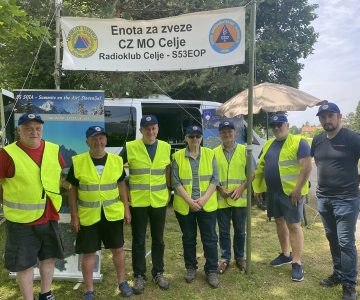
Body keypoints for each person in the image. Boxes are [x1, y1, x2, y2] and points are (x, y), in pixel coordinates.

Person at [0, 113, 65, 300]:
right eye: (28, 128)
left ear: (42, 129)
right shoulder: (7, 154)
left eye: (37, 128)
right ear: (19, 130)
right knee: (24, 265)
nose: (33, 132)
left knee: (49, 258)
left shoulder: (53, 149)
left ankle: (46, 294)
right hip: (21, 221)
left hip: (49, 215)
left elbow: (57, 176)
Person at [66, 126, 132, 299]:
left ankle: (122, 282)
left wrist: (126, 208)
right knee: (88, 253)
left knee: (118, 249)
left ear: (106, 140)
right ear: (87, 141)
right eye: (94, 139)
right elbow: (72, 190)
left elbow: (121, 186)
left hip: (112, 214)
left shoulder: (117, 161)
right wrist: (74, 216)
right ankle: (88, 290)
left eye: (101, 138)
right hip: (88, 216)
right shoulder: (78, 161)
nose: (98, 142)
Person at [253, 113, 311, 282]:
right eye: (274, 126)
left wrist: (298, 190)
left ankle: (297, 261)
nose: (277, 128)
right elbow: (261, 167)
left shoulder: (299, 142)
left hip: (291, 193)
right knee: (279, 221)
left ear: (287, 124)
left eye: (280, 125)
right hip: (273, 192)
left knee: (294, 225)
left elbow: (306, 167)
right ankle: (286, 254)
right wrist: (258, 188)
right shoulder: (269, 144)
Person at [311, 103, 360, 300]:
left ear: (339, 116)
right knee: (332, 238)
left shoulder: (352, 138)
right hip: (324, 199)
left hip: (347, 199)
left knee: (345, 241)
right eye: (322, 117)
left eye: (330, 116)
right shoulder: (317, 140)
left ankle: (349, 284)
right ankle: (338, 274)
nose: (326, 120)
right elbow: (318, 163)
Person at [120, 115, 171, 294]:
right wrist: (125, 198)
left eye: (153, 128)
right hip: (138, 201)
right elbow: (116, 170)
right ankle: (139, 276)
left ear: (157, 129)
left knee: (158, 239)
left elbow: (168, 171)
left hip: (158, 201)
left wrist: (169, 192)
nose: (151, 131)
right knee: (138, 240)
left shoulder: (166, 147)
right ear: (141, 130)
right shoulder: (130, 147)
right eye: (147, 128)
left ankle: (158, 273)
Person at [172, 125, 220, 288]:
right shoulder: (177, 156)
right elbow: (176, 182)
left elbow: (215, 179)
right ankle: (191, 268)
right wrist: (190, 201)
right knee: (188, 239)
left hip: (206, 205)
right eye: (191, 136)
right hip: (185, 206)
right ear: (186, 138)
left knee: (210, 239)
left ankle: (212, 270)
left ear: (201, 138)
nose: (195, 139)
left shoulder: (210, 153)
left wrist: (204, 199)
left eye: (198, 136)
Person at [214, 121, 250, 274]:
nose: (227, 134)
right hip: (221, 199)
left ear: (235, 133)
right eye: (223, 132)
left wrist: (242, 188)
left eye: (229, 131)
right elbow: (210, 174)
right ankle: (225, 258)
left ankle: (240, 257)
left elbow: (252, 173)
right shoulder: (213, 152)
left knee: (240, 231)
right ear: (220, 134)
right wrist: (218, 187)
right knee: (223, 231)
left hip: (240, 200)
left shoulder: (244, 150)